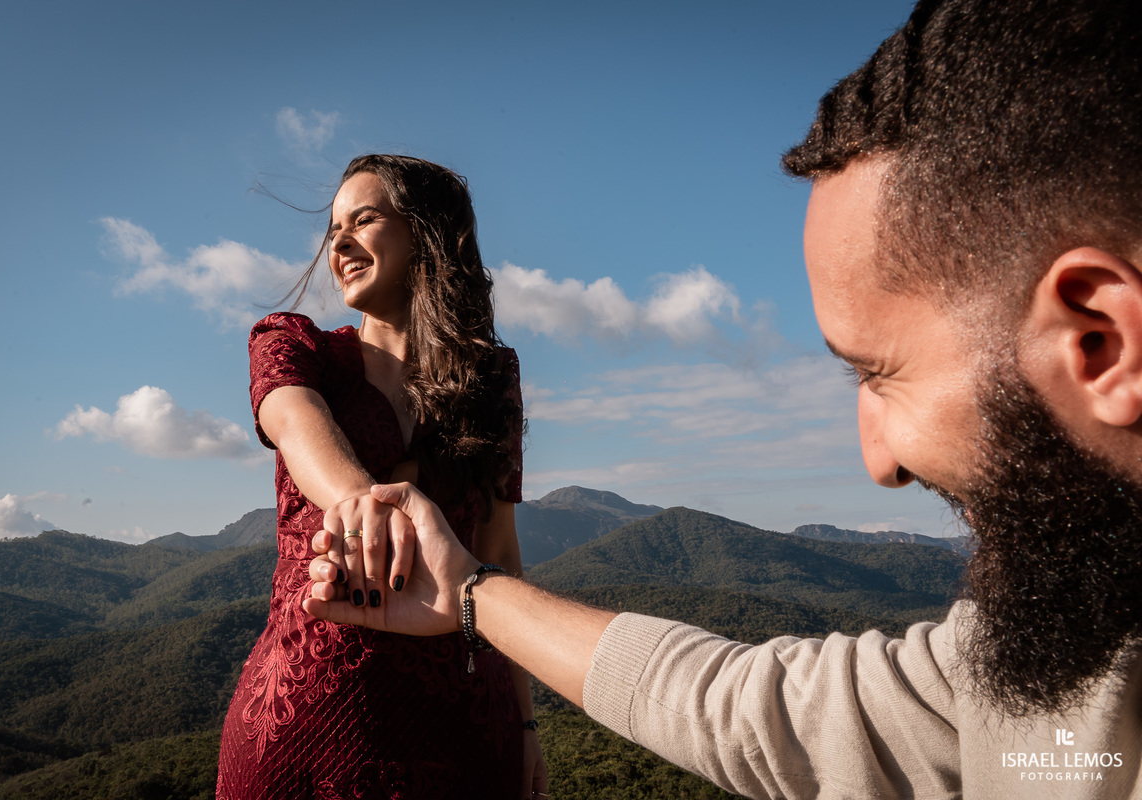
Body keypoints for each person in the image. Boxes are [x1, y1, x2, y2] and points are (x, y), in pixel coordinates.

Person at [301, 1, 1142, 797]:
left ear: (1098, 340)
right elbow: (756, 711)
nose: (876, 462)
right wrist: (473, 593)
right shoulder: (1055, 670)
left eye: (878, 373)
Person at [217, 154, 547, 799]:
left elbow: (499, 554)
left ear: (425, 234)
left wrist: (528, 721)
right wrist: (358, 499)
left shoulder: (490, 378)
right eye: (332, 228)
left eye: (363, 219)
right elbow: (291, 417)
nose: (338, 242)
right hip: (307, 712)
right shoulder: (295, 344)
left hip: (467, 721)